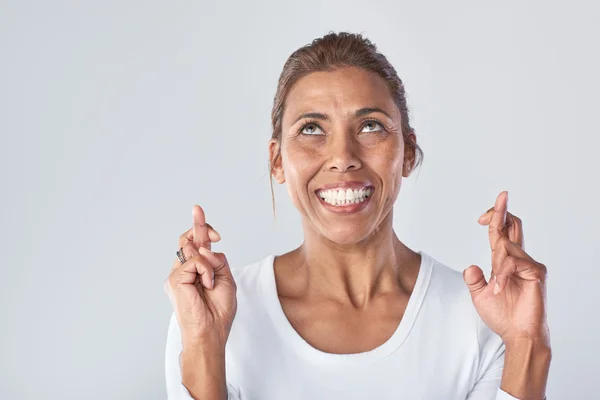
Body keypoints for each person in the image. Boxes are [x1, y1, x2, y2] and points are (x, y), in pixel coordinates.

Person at [163, 31, 551, 400]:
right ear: (278, 161)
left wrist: (527, 344)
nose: (343, 158)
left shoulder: (480, 318)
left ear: (408, 153)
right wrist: (202, 344)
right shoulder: (216, 315)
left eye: (370, 126)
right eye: (312, 129)